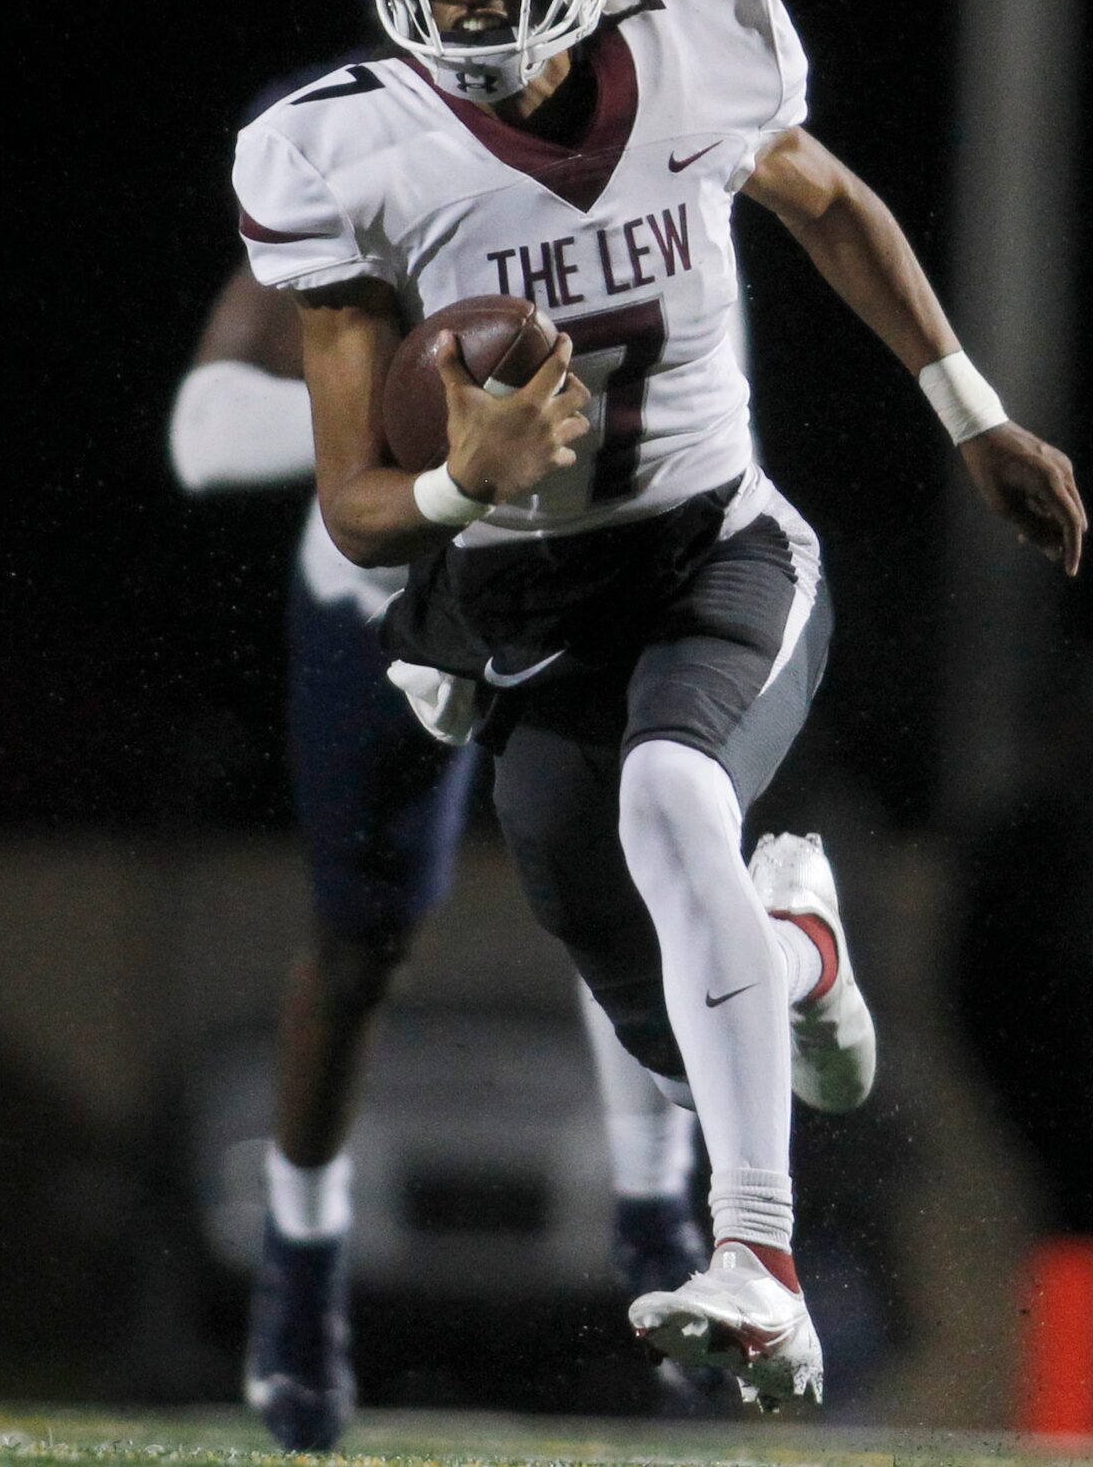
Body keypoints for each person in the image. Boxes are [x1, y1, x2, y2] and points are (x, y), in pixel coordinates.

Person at [230, 0, 1084, 1411]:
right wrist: (468, 478)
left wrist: (966, 407)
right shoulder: (340, 152)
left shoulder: (699, 56)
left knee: (673, 804)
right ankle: (801, 955)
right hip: (528, 612)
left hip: (716, 555)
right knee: (660, 1012)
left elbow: (826, 200)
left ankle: (756, 1260)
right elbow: (351, 508)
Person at [170, 258, 713, 1448]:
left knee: (630, 866)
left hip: (559, 577)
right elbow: (203, 436)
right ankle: (301, 1274)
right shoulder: (337, 191)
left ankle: (660, 1216)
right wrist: (420, 421)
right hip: (381, 598)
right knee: (361, 945)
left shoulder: (597, 182)